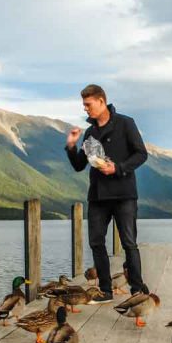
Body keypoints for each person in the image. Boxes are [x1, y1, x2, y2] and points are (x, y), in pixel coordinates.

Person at [65, 84, 147, 302]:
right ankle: (106, 290)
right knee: (96, 242)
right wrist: (72, 146)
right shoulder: (90, 132)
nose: (85, 109)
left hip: (124, 194)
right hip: (98, 197)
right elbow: (79, 165)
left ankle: (137, 290)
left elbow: (141, 154)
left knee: (129, 243)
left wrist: (117, 168)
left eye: (88, 104)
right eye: (84, 105)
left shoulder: (125, 123)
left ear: (101, 102)